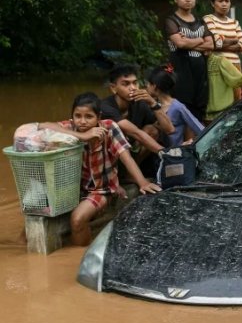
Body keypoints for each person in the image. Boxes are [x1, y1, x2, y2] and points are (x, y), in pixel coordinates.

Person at [38, 93, 160, 246]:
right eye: (78, 116)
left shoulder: (109, 127)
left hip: (101, 190)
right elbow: (41, 126)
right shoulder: (71, 128)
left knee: (77, 219)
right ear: (72, 117)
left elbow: (125, 156)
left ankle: (80, 258)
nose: (82, 121)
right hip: (74, 189)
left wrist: (142, 182)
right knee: (37, 217)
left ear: (98, 117)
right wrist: (81, 136)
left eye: (89, 117)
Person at [166, 0, 215, 123]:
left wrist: (189, 42)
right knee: (183, 109)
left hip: (200, 74)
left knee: (199, 109)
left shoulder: (200, 21)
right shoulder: (171, 21)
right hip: (181, 73)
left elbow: (210, 44)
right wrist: (200, 40)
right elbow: (180, 43)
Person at [101, 65, 174, 158]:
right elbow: (135, 132)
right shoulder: (106, 106)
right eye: (125, 84)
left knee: (152, 130)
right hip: (109, 153)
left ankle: (132, 170)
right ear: (113, 88)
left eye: (135, 83)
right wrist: (166, 153)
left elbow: (170, 129)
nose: (133, 88)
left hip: (132, 149)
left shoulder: (140, 103)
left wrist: (153, 103)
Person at [203, 0, 242, 101]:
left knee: (236, 100)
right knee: (220, 101)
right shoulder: (208, 19)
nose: (224, 4)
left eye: (227, 1)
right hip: (219, 67)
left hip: (235, 67)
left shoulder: (234, 23)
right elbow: (214, 42)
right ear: (213, 3)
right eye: (220, 1)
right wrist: (234, 42)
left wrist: (223, 44)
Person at [146, 65, 204, 147]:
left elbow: (198, 127)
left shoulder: (178, 107)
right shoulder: (153, 105)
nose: (146, 86)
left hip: (175, 153)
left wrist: (190, 143)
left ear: (154, 86)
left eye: (148, 84)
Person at [206, 52, 242, 122]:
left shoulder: (220, 61)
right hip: (220, 116)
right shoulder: (220, 61)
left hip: (221, 115)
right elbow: (241, 80)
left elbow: (240, 80)